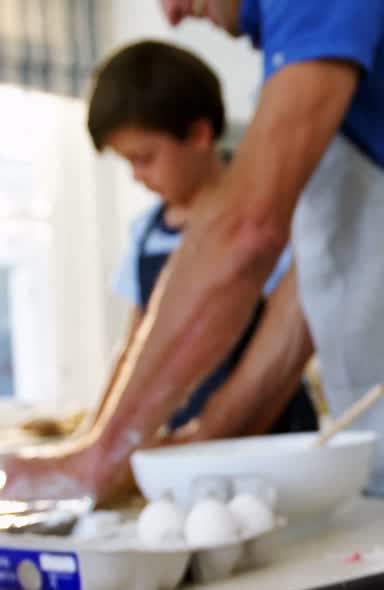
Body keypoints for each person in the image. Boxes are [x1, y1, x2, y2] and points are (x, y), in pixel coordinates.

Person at [0, 0, 384, 514]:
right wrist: (206, 439)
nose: (171, 14)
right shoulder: (307, 61)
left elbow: (245, 231)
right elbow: (306, 300)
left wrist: (100, 454)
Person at [86, 40, 317, 444]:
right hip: (186, 439)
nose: (137, 176)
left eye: (145, 157)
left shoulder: (265, 226)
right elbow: (133, 350)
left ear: (198, 134)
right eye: (128, 163)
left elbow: (290, 334)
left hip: (273, 433)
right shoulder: (146, 234)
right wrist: (98, 438)